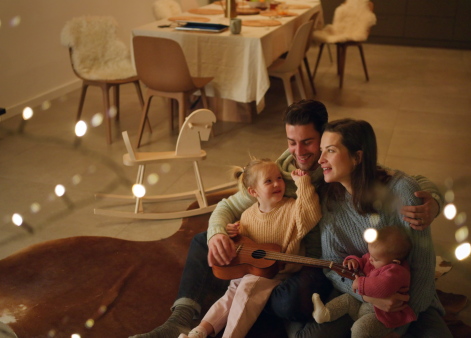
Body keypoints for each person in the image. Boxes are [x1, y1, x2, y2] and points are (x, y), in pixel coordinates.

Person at [131, 100, 443, 338]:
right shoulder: (280, 171)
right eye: (291, 142)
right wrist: (217, 235)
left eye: (309, 142)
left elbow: (404, 181)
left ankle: (251, 307)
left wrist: (434, 202)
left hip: (308, 263)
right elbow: (229, 205)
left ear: (325, 138)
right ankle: (182, 319)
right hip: (276, 251)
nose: (300, 153)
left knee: (286, 302)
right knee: (204, 240)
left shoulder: (339, 172)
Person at [295, 118, 450, 337]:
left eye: (330, 150)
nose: (320, 159)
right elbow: (333, 266)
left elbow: (423, 271)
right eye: (321, 150)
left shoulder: (401, 191)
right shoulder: (330, 200)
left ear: (357, 157)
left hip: (409, 302)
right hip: (359, 296)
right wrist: (368, 296)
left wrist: (396, 323)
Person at [180, 158, 321, 338]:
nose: (277, 183)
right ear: (253, 191)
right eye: (268, 181)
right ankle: (199, 331)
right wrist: (230, 232)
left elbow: (311, 213)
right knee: (231, 293)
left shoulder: (292, 208)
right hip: (251, 271)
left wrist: (303, 183)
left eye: (279, 178)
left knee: (247, 287)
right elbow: (245, 246)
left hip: (277, 273)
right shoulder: (247, 216)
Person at [311, 226, 416, 338]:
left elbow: (382, 287)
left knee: (360, 328)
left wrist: (360, 283)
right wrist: (354, 261)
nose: (370, 259)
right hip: (364, 307)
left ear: (394, 262)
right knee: (347, 299)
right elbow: (364, 259)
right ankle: (325, 313)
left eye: (375, 259)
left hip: (381, 317)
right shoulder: (378, 258)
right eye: (370, 254)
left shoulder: (397, 271)